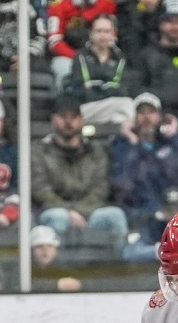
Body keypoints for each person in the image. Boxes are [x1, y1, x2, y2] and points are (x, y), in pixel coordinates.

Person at [109, 93, 178, 233]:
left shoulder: (171, 145)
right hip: (138, 215)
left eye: (151, 112)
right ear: (134, 118)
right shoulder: (122, 147)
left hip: (172, 211)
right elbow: (124, 183)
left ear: (160, 117)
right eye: (141, 112)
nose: (147, 117)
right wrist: (134, 143)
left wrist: (174, 136)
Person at [36, 101, 126, 242]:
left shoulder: (96, 152)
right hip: (55, 210)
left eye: (73, 117)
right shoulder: (39, 151)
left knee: (114, 215)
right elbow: (40, 189)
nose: (68, 122)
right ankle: (55, 264)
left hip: (91, 210)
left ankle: (122, 262)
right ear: (53, 119)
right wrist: (68, 211)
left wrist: (79, 211)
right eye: (63, 116)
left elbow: (101, 187)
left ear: (81, 120)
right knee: (58, 217)